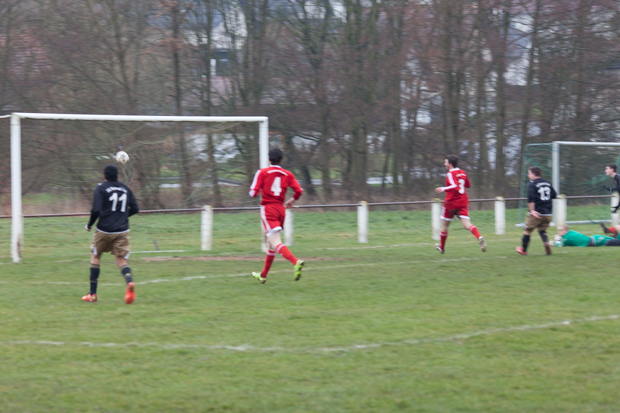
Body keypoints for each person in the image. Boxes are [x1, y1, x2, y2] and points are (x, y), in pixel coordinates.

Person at [82, 164, 139, 303]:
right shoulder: (125, 188)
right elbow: (135, 208)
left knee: (96, 256)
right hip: (122, 229)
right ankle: (129, 282)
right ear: (117, 175)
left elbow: (95, 210)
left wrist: (89, 225)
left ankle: (93, 294)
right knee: (121, 260)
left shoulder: (101, 188)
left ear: (104, 176)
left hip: (104, 230)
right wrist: (123, 216)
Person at [249, 148, 304, 284]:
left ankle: (295, 262)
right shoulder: (287, 174)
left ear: (269, 159)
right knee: (270, 244)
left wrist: (255, 189)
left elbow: (253, 193)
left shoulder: (262, 172)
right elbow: (299, 190)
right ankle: (263, 275)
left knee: (275, 242)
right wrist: (292, 200)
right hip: (281, 209)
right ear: (281, 159)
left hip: (268, 209)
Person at [434, 155, 486, 254]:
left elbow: (455, 186)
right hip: (463, 201)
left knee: (444, 225)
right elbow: (468, 185)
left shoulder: (450, 173)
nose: (444, 164)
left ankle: (442, 247)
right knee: (467, 224)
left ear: (450, 164)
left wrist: (443, 188)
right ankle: (479, 237)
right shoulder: (463, 172)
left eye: (445, 162)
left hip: (451, 203)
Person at [516, 166, 557, 256]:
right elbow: (554, 195)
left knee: (528, 231)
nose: (528, 175)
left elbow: (531, 199)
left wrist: (532, 210)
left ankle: (524, 250)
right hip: (547, 213)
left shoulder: (532, 184)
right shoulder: (547, 183)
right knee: (542, 230)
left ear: (533, 174)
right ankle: (546, 243)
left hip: (537, 213)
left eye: (529, 173)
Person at [555, 224, 620, 247]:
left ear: (566, 231)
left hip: (597, 241)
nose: (559, 232)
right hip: (596, 239)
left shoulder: (567, 238)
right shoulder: (571, 232)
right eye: (559, 230)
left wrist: (557, 240)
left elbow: (560, 245)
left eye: (561, 230)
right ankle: (608, 230)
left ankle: (608, 230)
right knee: (617, 230)